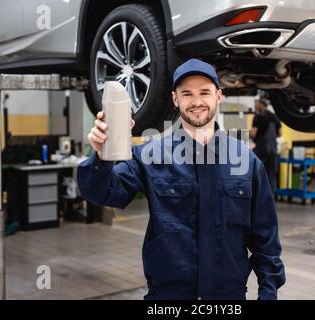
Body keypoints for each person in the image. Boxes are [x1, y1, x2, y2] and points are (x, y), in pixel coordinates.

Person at [77, 58, 285, 300]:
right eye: (187, 94)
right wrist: (101, 157)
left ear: (218, 96)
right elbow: (100, 193)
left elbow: (266, 240)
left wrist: (268, 294)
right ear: (176, 100)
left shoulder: (247, 163)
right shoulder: (151, 155)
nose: (196, 102)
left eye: (204, 92)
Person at [250, 97, 281, 193]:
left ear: (261, 104)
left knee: (259, 174)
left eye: (257, 102)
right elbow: (280, 134)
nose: (256, 105)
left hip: (262, 149)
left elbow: (253, 134)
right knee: (271, 175)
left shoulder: (258, 116)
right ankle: (271, 197)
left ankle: (260, 197)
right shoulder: (274, 117)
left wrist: (245, 133)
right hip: (273, 149)